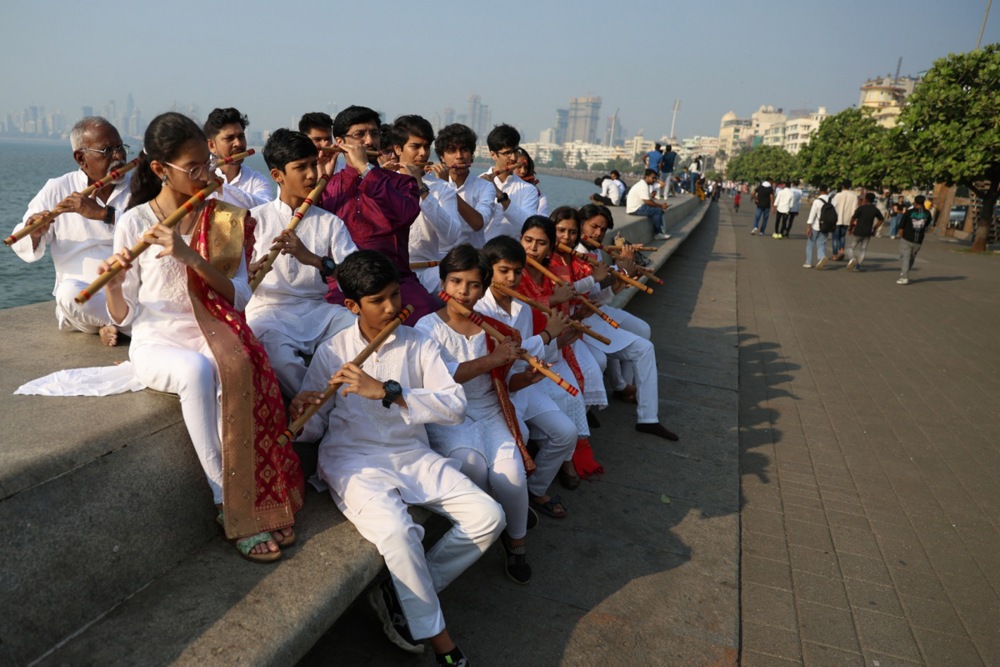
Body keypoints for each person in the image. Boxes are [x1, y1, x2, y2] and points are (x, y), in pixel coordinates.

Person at [99, 111, 302, 562]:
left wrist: (190, 256)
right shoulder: (133, 223)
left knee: (239, 363)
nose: (204, 175)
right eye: (192, 168)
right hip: (156, 342)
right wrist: (113, 284)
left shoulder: (226, 218)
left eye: (204, 164)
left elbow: (240, 298)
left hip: (213, 329)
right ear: (159, 170)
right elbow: (127, 316)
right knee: (196, 371)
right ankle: (224, 499)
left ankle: (262, 497)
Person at [291, 250, 504, 665]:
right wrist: (302, 415)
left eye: (393, 295)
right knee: (398, 533)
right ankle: (439, 637)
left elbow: (453, 406)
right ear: (352, 305)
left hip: (411, 452)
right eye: (377, 301)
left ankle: (401, 592)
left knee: (489, 516)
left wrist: (389, 391)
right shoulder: (333, 351)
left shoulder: (419, 343)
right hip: (353, 460)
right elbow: (315, 428)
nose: (391, 308)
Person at [416, 244, 539, 584]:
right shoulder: (427, 328)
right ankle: (497, 520)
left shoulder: (495, 328)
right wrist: (493, 359)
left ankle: (516, 544)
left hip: (490, 412)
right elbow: (442, 378)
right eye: (456, 281)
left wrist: (526, 377)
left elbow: (506, 382)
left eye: (473, 285)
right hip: (450, 417)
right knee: (473, 467)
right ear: (443, 282)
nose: (464, 292)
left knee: (512, 479)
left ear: (483, 288)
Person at [245, 129, 357, 399]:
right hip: (269, 313)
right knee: (282, 362)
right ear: (277, 176)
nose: (312, 175)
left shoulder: (330, 222)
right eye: (300, 168)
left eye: (312, 165)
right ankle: (316, 418)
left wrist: (313, 259)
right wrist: (248, 272)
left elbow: (356, 278)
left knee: (360, 330)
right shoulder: (253, 220)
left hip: (318, 311)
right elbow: (231, 280)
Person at [10, 116, 132, 346]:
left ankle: (104, 325)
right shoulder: (57, 188)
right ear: (81, 158)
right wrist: (35, 231)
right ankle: (113, 325)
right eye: (107, 150)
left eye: (120, 148)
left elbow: (152, 231)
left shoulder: (138, 187)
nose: (118, 156)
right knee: (68, 295)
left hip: (128, 289)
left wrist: (103, 214)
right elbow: (21, 239)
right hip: (83, 294)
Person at [477, 235, 581, 494]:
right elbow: (508, 352)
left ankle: (535, 490)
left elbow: (525, 357)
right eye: (503, 271)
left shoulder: (522, 308)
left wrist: (559, 339)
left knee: (567, 433)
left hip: (521, 386)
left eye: (517, 272)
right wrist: (547, 335)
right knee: (519, 436)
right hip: (495, 391)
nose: (511, 279)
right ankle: (514, 496)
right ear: (488, 271)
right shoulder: (478, 310)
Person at [315, 105, 439, 321]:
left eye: (373, 133)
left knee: (429, 316)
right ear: (340, 143)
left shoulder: (402, 182)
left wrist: (366, 170)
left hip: (396, 282)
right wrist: (319, 182)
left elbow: (406, 214)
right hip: (342, 284)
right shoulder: (328, 185)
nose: (369, 142)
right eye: (359, 135)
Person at [571, 205, 679, 441]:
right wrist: (620, 273)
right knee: (644, 349)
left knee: (643, 330)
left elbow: (601, 294)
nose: (598, 233)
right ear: (580, 225)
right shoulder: (575, 253)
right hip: (583, 316)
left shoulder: (595, 251)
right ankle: (647, 418)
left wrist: (623, 278)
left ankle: (622, 386)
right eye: (594, 227)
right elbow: (586, 297)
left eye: (603, 229)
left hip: (597, 309)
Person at [391, 115, 467, 295]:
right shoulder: (382, 183)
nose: (423, 153)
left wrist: (421, 188)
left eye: (426, 146)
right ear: (397, 148)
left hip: (428, 273)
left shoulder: (443, 188)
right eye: (415, 146)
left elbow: (451, 236)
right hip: (387, 272)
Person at [432, 123, 494, 250]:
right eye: (451, 151)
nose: (459, 156)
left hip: (472, 259)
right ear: (442, 157)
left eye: (464, 150)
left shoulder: (485, 187)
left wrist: (446, 188)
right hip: (438, 258)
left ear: (471, 155)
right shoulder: (430, 185)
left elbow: (478, 224)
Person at [204, 107, 274, 208]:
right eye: (229, 138)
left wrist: (218, 185)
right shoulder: (199, 180)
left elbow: (265, 208)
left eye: (241, 137)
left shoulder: (257, 181)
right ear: (211, 146)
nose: (238, 143)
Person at [479, 123, 538, 240]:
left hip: (511, 254)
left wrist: (500, 195)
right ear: (493, 155)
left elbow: (527, 227)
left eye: (515, 151)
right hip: (480, 253)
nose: (514, 158)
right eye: (507, 153)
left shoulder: (529, 190)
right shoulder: (477, 182)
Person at [896, 194, 932, 285]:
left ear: (915, 202)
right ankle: (905, 272)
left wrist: (901, 236)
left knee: (905, 257)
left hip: (907, 238)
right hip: (919, 239)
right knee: (911, 258)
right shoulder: (927, 213)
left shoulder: (908, 212)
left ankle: (904, 277)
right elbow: (927, 224)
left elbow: (901, 226)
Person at [626, 169, 670, 239]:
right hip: (635, 208)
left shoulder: (643, 184)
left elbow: (648, 200)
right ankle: (658, 233)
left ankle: (661, 231)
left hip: (638, 207)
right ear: (646, 177)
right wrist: (661, 206)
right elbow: (648, 202)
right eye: (653, 178)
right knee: (657, 210)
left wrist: (659, 204)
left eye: (655, 178)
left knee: (658, 209)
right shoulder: (643, 186)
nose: (654, 180)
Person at [846, 192, 885, 272]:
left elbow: (852, 219)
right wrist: (875, 228)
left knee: (851, 248)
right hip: (868, 232)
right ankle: (858, 266)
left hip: (858, 231)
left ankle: (852, 259)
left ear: (865, 199)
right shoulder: (875, 210)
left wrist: (850, 229)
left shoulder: (861, 208)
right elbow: (881, 219)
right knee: (863, 249)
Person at [803, 185, 833, 270]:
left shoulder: (817, 201)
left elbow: (812, 215)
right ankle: (821, 257)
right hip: (826, 226)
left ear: (819, 190)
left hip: (816, 226)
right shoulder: (832, 200)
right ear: (827, 190)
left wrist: (808, 227)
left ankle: (808, 262)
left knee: (810, 244)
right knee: (821, 243)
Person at [514, 148, 548, 216]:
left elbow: (543, 217)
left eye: (526, 167)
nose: (523, 171)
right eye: (519, 167)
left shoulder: (538, 195)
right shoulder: (496, 186)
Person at [831, 183, 858, 261]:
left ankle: (835, 255)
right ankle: (841, 250)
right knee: (842, 236)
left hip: (837, 219)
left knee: (835, 237)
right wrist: (853, 221)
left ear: (843, 186)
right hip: (847, 220)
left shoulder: (838, 195)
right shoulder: (854, 196)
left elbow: (833, 207)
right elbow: (854, 209)